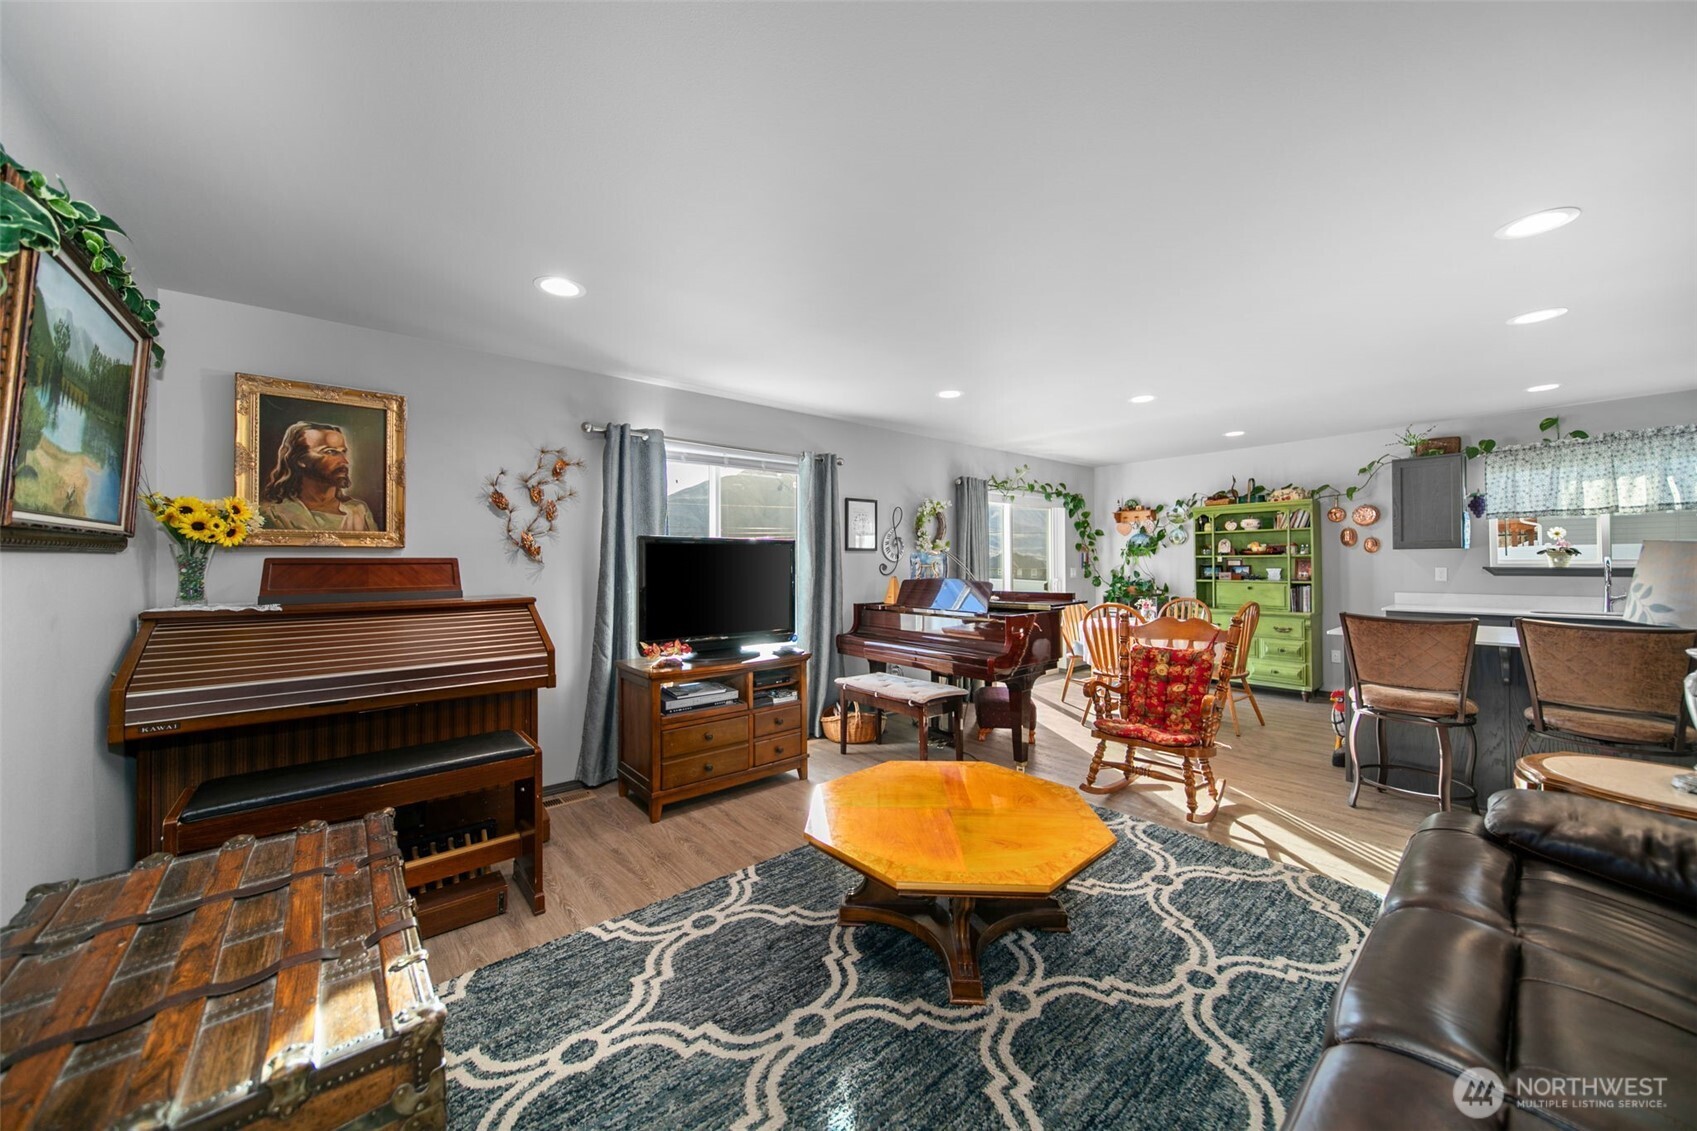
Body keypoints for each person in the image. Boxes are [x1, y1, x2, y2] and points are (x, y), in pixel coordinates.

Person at [259, 421, 378, 531]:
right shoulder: (275, 514)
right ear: (300, 459)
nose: (344, 462)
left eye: (343, 452)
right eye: (330, 452)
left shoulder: (358, 510)